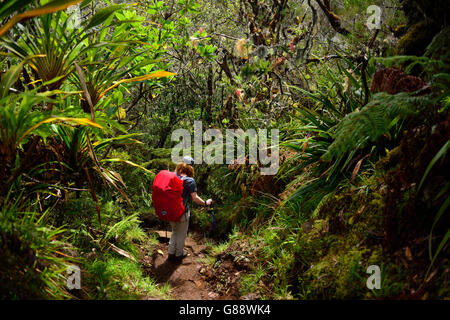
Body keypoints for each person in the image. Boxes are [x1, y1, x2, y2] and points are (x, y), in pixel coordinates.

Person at [168, 156, 213, 262]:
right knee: (182, 233)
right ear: (190, 168)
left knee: (174, 231)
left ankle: (171, 253)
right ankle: (179, 254)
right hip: (182, 212)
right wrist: (205, 203)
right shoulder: (190, 181)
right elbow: (195, 198)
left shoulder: (172, 176)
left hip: (169, 211)